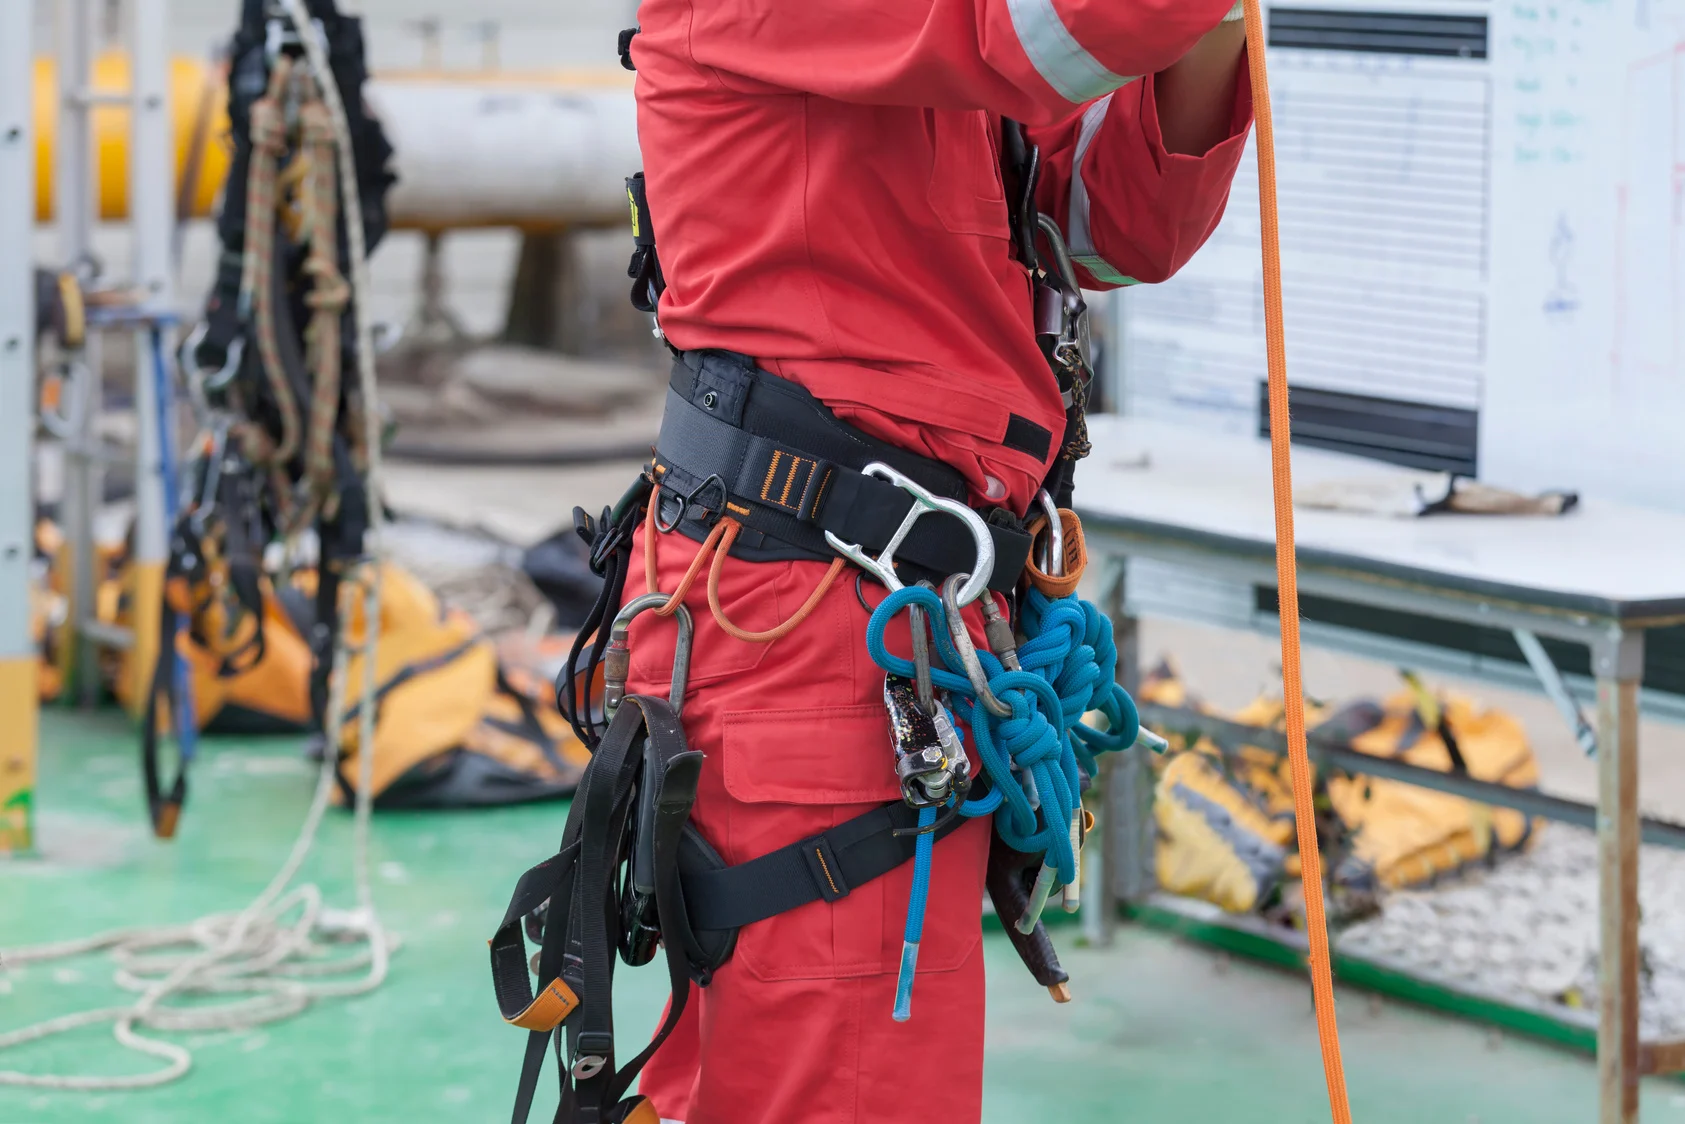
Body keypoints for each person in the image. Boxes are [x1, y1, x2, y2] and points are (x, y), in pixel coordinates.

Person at [618, 2, 1255, 1121]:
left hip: (884, 612)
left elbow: (1104, 230)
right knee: (837, 1084)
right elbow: (1053, 34)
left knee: (815, 1069)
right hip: (809, 610)